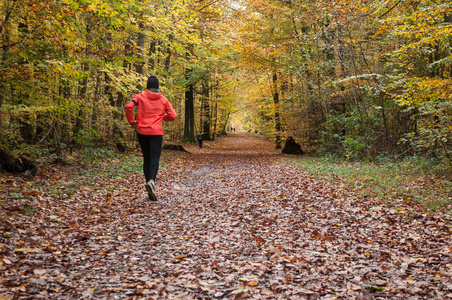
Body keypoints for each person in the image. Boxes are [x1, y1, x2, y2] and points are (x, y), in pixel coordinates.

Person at [125, 76, 177, 201]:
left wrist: (132, 122)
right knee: (155, 158)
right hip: (156, 132)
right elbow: (173, 115)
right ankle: (152, 181)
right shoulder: (163, 100)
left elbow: (128, 106)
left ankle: (148, 184)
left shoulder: (140, 97)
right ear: (158, 86)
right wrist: (162, 117)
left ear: (147, 86)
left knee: (146, 158)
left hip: (142, 131)